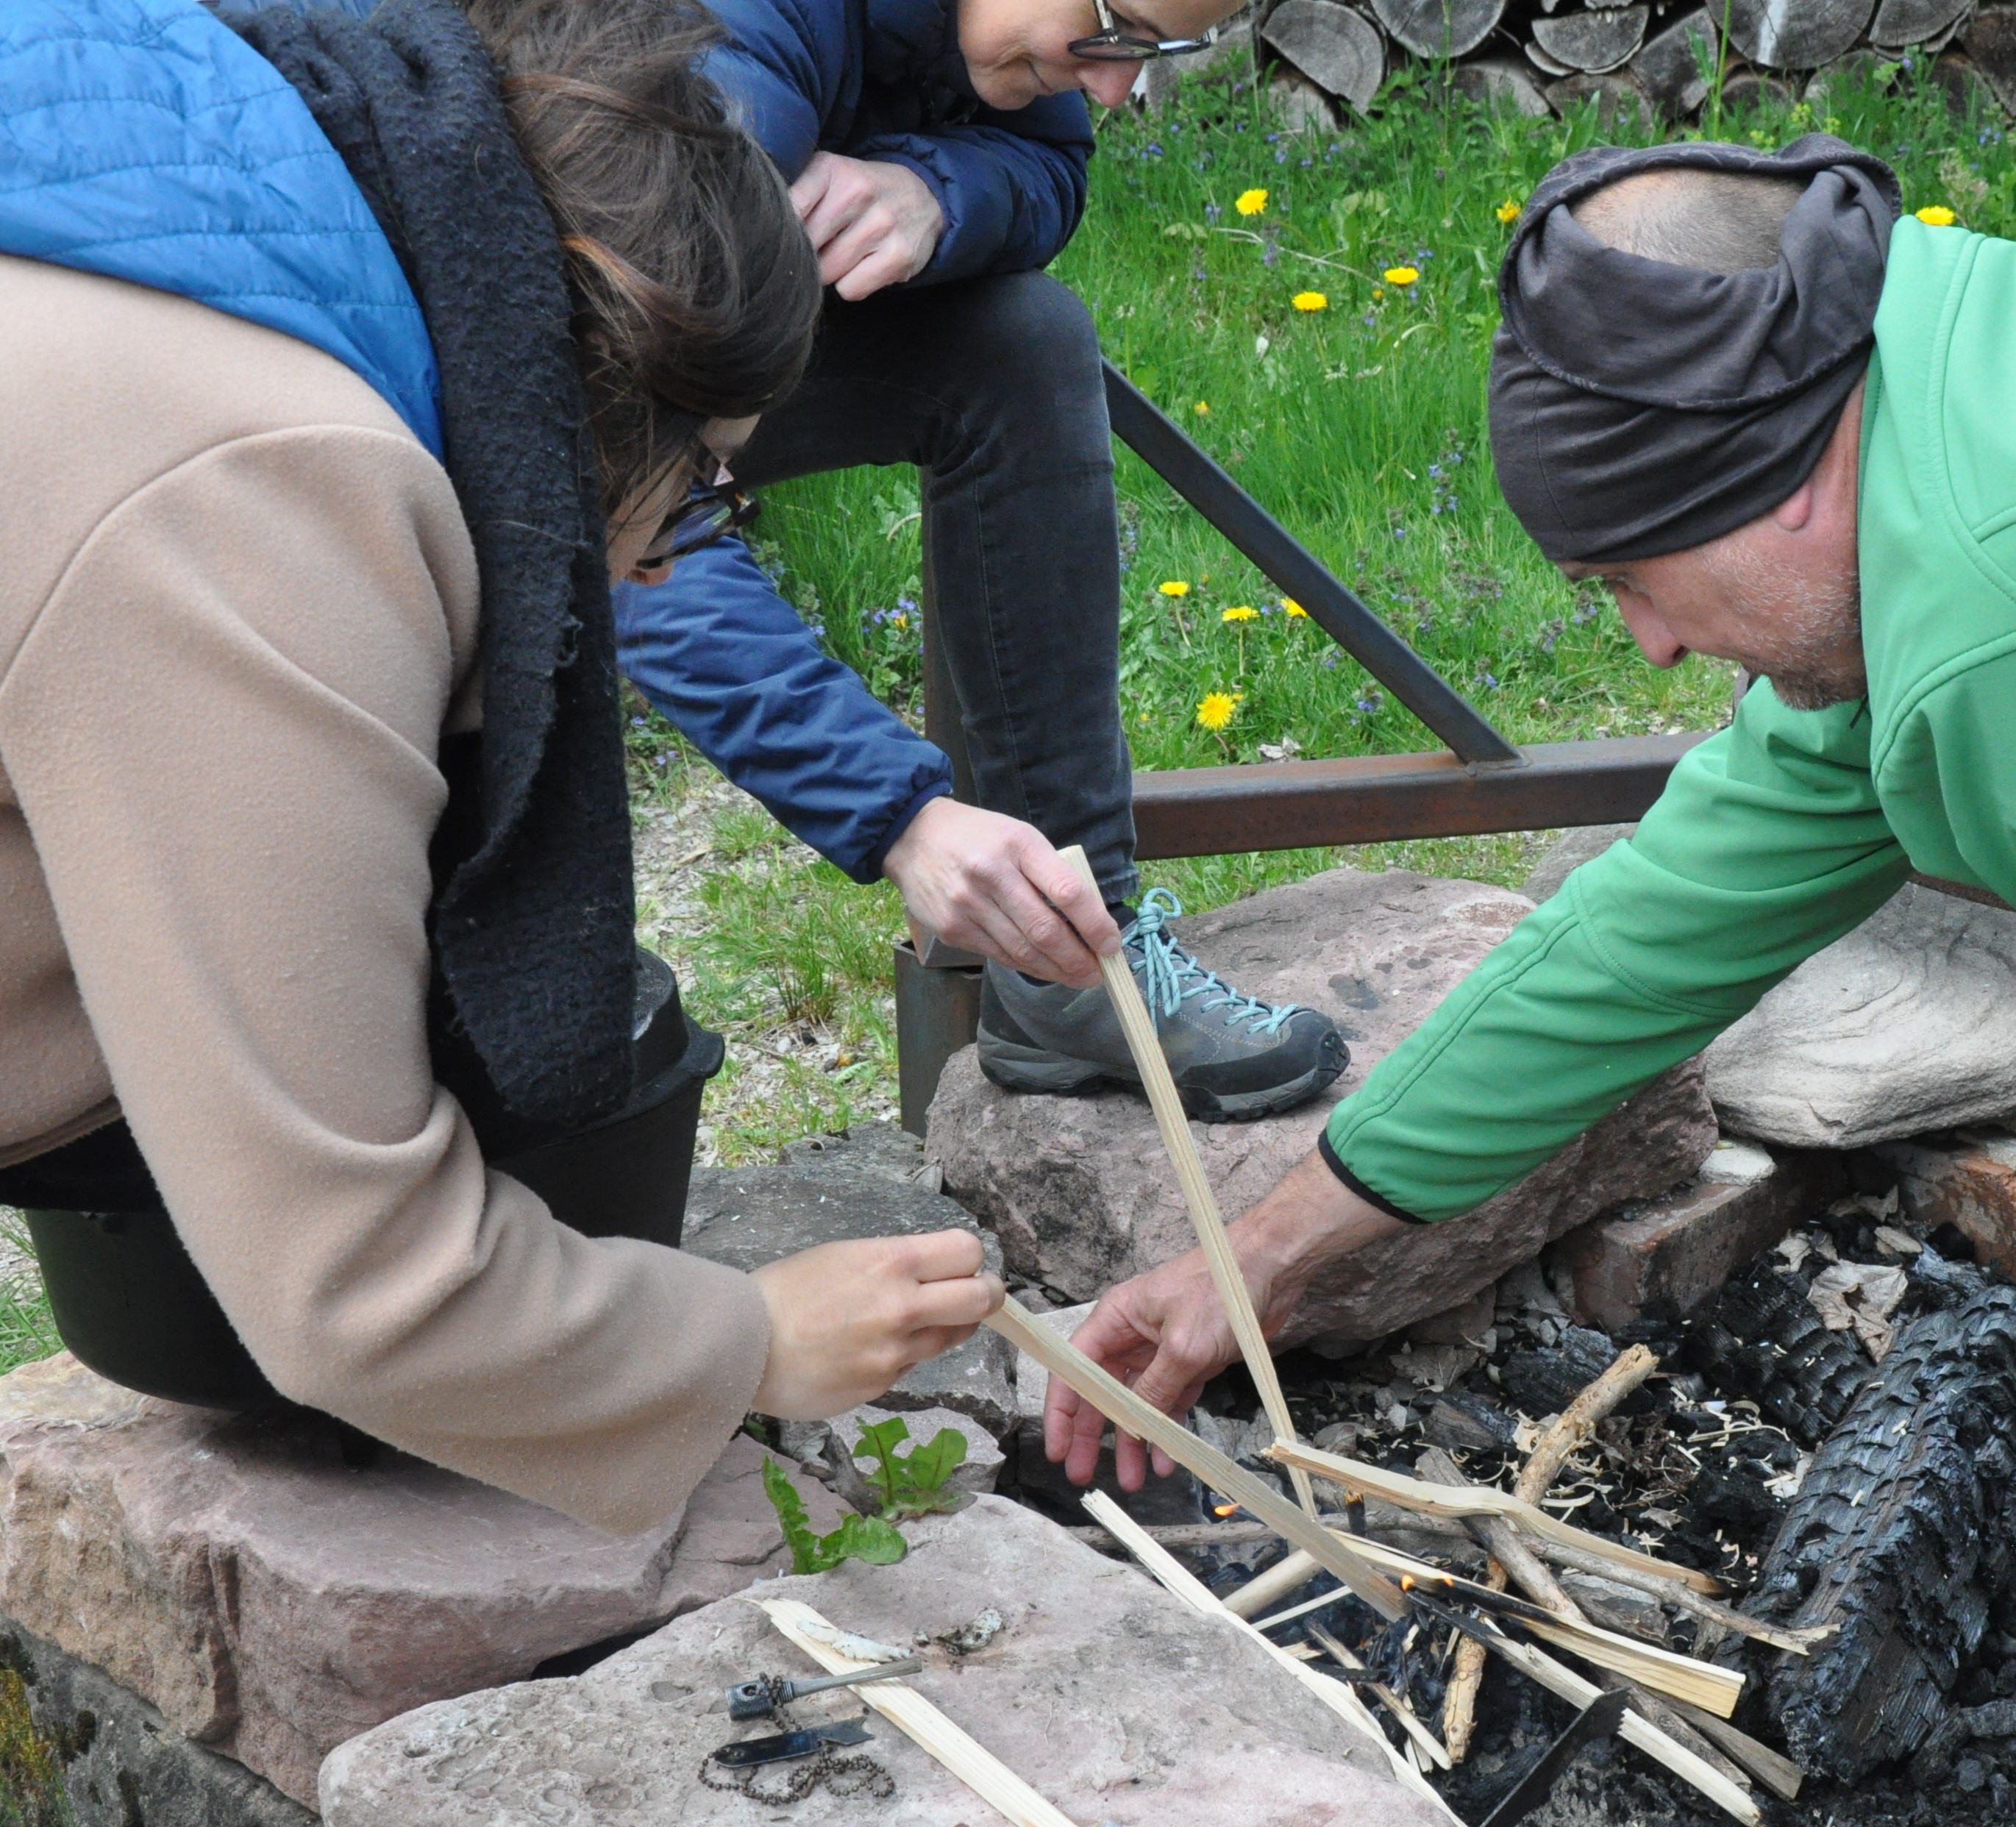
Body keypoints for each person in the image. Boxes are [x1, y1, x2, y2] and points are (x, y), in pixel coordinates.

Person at [0, 0, 1001, 1534]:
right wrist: (748, 1343)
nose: (658, 571)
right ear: (590, 402)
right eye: (691, 493)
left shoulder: (205, 181)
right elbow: (352, 1284)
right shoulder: (254, 501)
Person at [1045, 133, 1988, 1484]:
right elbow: (1643, 941)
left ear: (1783, 476)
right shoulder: (1918, 411)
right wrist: (1255, 1257)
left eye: (1631, 578)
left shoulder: (1980, 632)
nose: (1651, 648)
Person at [613, 0, 1352, 1122]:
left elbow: (1049, 166)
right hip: (392, 425)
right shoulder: (720, 61)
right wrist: (902, 816)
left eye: (1156, 53)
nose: (1111, 92)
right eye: (1117, 32)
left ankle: (1069, 964)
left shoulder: (1007, 36)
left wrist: (932, 190)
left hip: (639, 339)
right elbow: (610, 509)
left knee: (1019, 344)